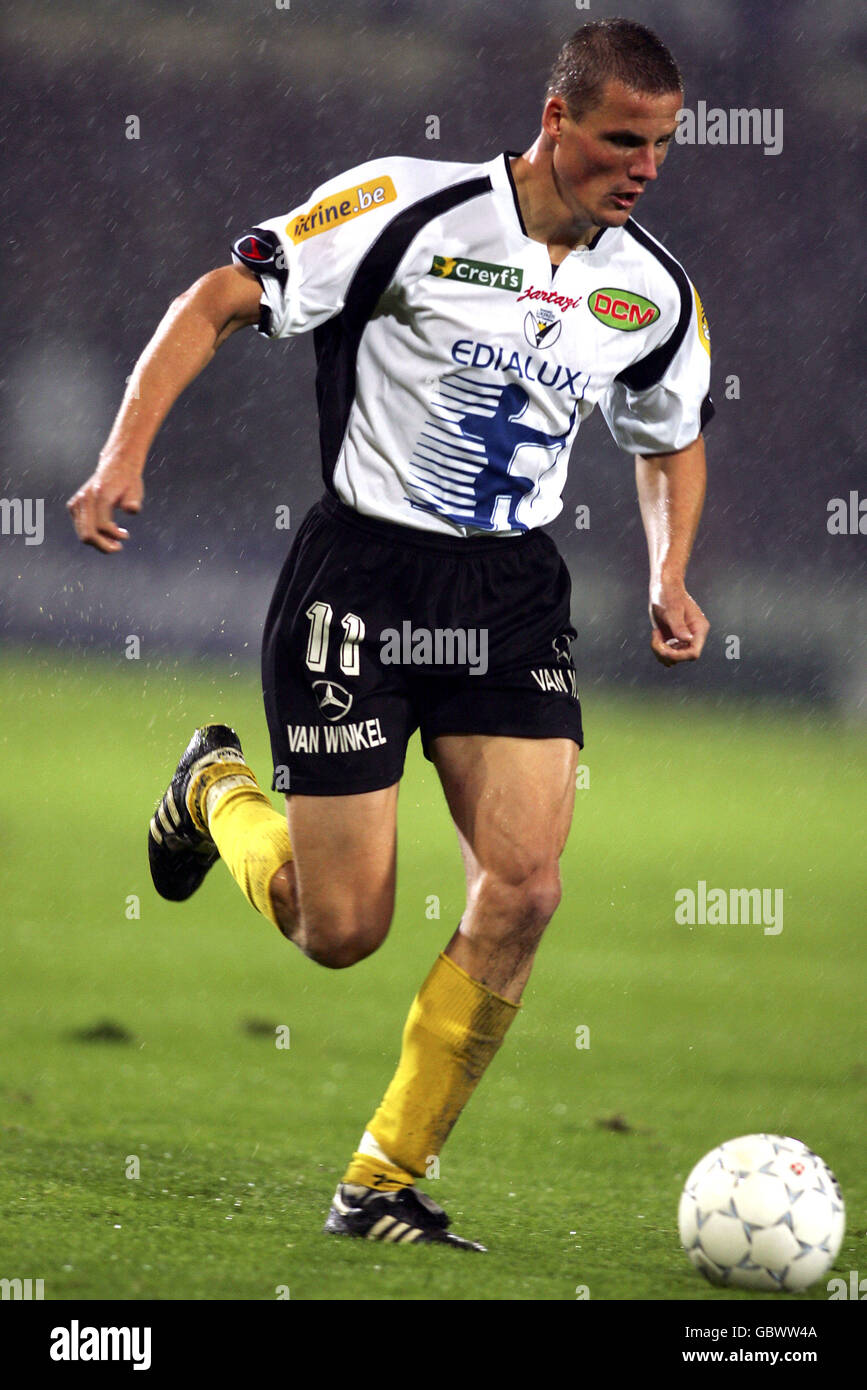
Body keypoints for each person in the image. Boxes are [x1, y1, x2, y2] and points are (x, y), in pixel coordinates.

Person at [68, 18, 712, 1251]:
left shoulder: (654, 290)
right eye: (623, 139)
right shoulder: (404, 208)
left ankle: (381, 1182)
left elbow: (671, 431)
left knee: (525, 889)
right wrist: (122, 457)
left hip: (512, 599)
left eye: (664, 146)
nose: (643, 166)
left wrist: (668, 570)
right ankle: (214, 790)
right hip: (361, 584)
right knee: (341, 927)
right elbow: (218, 299)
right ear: (557, 120)